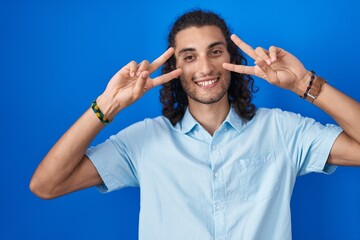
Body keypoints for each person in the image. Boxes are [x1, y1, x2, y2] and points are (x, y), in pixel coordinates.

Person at [30, 10, 360, 240]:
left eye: (215, 52)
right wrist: (108, 104)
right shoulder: (143, 140)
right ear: (175, 68)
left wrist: (304, 83)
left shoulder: (283, 130)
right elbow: (46, 185)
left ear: (232, 61)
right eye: (189, 56)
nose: (205, 67)